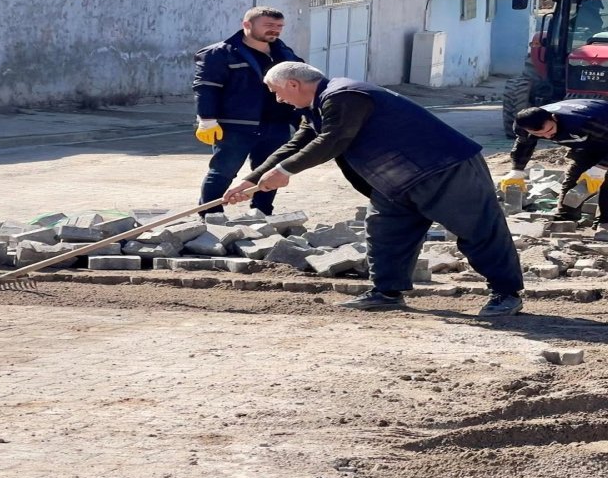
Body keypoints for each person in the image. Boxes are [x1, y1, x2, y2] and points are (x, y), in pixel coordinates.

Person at [222, 62, 525, 318]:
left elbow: (332, 141)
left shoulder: (344, 95)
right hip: (396, 179)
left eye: (276, 92)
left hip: (443, 168)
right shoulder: (319, 107)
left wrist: (285, 172)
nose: (278, 100)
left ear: (292, 84)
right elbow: (296, 145)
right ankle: (387, 292)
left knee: (478, 229)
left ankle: (506, 294)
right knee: (385, 231)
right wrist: (251, 181)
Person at [193, 6, 303, 216]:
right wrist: (207, 118)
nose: (275, 30)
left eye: (279, 26)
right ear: (247, 25)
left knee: (270, 172)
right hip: (236, 126)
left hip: (277, 124)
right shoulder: (220, 54)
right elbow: (206, 87)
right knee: (222, 172)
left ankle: (261, 212)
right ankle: (211, 216)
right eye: (268, 25)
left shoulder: (284, 53)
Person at [501, 100, 608, 242]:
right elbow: (524, 144)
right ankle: (565, 219)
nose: (547, 136)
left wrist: (601, 168)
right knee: (575, 175)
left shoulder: (581, 122)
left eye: (550, 130)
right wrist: (517, 170)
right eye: (539, 135)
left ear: (554, 118)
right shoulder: (523, 125)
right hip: (593, 138)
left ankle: (607, 224)